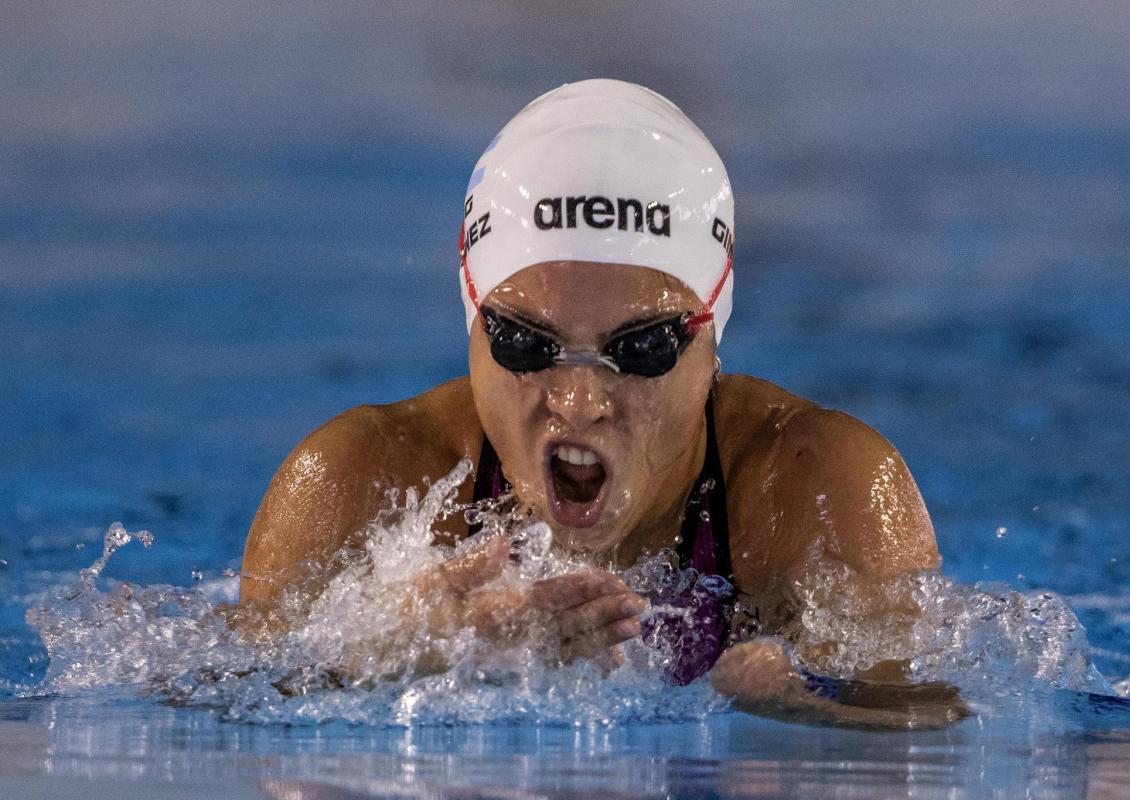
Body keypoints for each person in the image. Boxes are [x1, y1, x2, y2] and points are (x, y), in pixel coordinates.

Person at [240, 79, 961, 728]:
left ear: (711, 336)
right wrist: (394, 647)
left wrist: (800, 703)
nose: (580, 401)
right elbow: (204, 701)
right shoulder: (360, 480)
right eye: (525, 343)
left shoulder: (816, 488)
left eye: (642, 348)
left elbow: (948, 729)